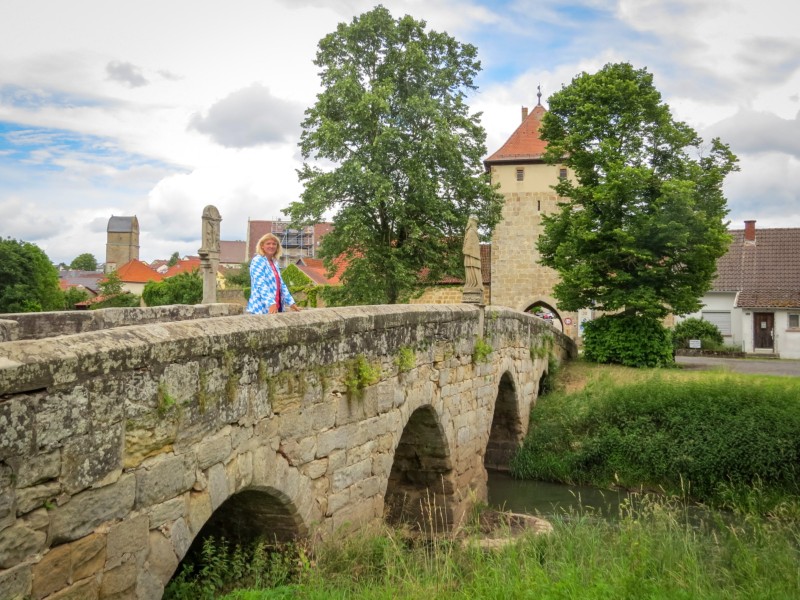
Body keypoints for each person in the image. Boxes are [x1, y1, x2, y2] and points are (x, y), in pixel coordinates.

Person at [246, 233, 301, 314]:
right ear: (262, 246)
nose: (271, 246)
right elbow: (260, 283)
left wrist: (291, 303)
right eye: (268, 243)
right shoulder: (258, 260)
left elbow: (281, 284)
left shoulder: (274, 262)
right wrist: (270, 303)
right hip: (261, 307)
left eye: (274, 244)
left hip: (277, 306)